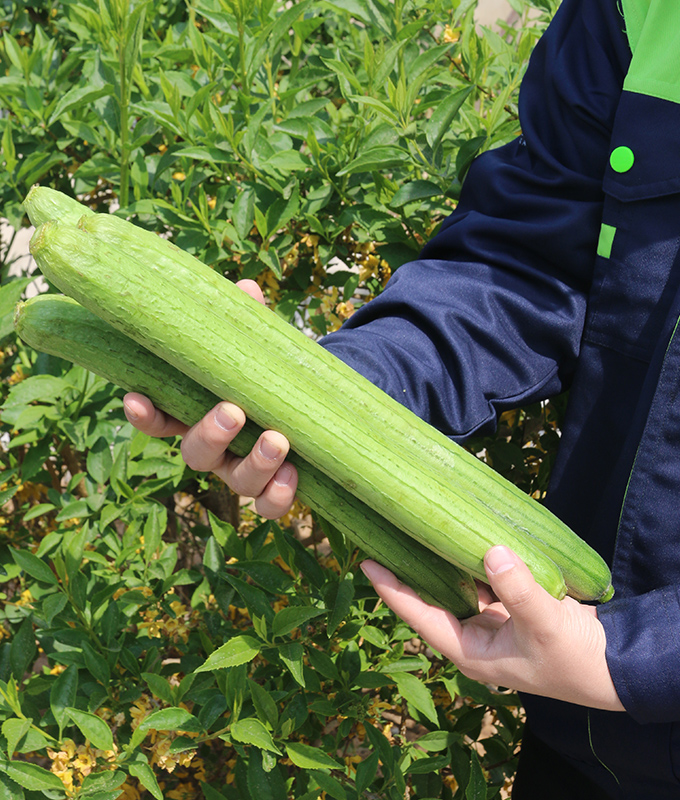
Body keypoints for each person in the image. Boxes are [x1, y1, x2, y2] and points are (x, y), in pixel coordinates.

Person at [123, 0, 680, 795]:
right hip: (585, 735)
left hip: (604, 671)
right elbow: (530, 266)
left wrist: (634, 657)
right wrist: (317, 392)